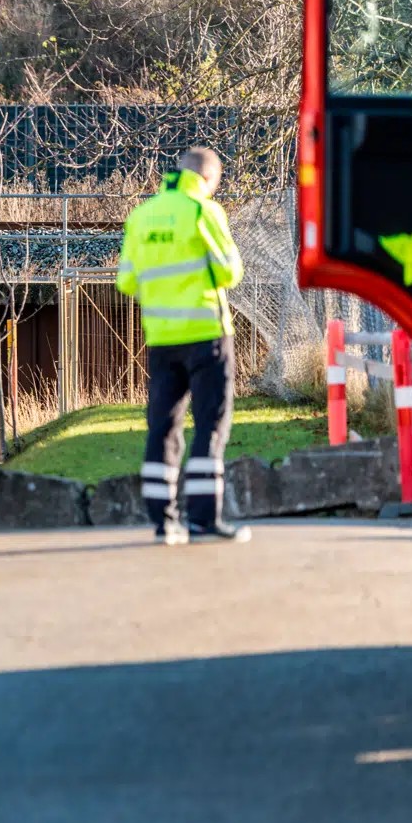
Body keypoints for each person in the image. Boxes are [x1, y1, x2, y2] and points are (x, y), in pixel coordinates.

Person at [116, 146, 249, 545]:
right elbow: (230, 271)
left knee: (163, 426)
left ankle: (164, 522)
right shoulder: (203, 212)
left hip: (161, 339)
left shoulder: (142, 216)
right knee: (210, 425)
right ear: (209, 179)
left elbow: (125, 281)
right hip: (206, 335)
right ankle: (204, 520)